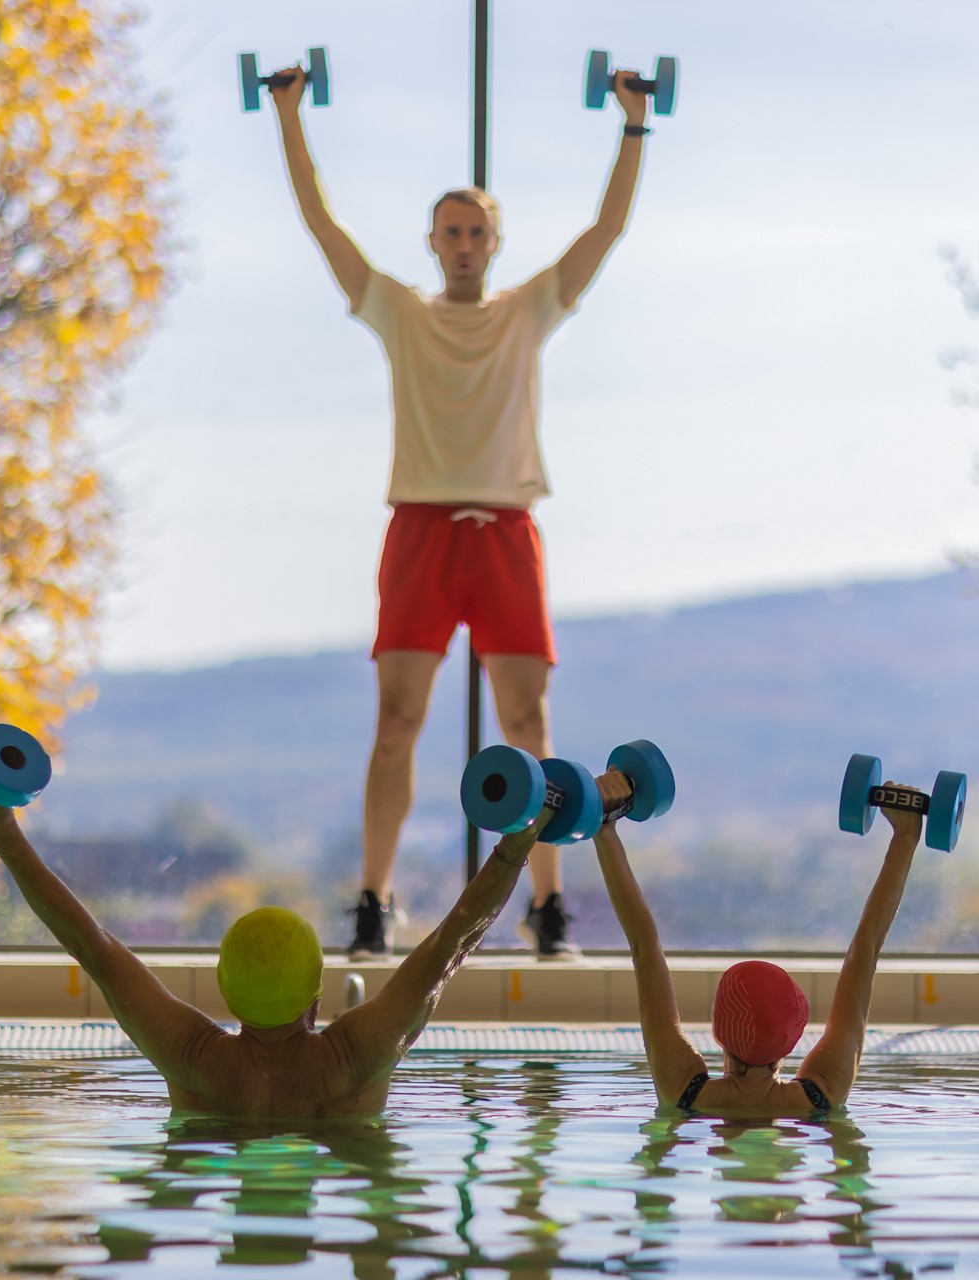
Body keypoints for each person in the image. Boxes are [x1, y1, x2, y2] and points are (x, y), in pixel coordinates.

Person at [266, 58, 655, 962]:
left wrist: (633, 125)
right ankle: (373, 902)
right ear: (433, 243)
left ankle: (548, 910)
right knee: (396, 721)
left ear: (495, 242)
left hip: (505, 533)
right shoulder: (399, 313)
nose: (466, 243)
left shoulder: (530, 312)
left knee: (530, 728)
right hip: (420, 533)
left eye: (478, 231)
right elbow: (319, 223)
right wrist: (289, 114)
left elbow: (608, 228)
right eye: (452, 231)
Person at [0, 799, 551, 1117]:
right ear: (316, 996)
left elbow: (90, 944)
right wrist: (515, 846)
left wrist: (2, 831)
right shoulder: (356, 1058)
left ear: (226, 991)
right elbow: (451, 943)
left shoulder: (193, 1058)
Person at [593, 771, 923, 1116]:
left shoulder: (683, 1090)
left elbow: (644, 945)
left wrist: (604, 825)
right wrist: (907, 834)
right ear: (795, 1036)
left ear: (719, 1031)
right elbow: (865, 952)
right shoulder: (822, 1094)